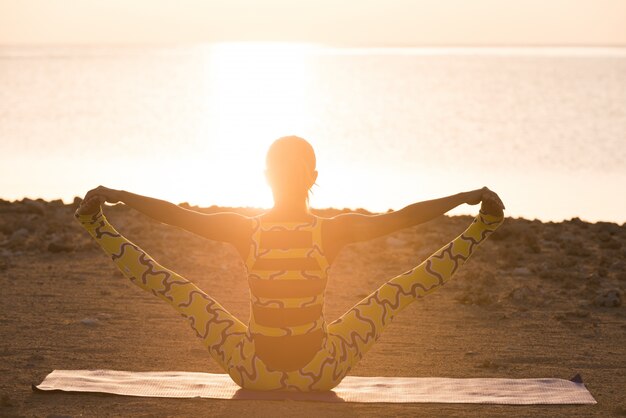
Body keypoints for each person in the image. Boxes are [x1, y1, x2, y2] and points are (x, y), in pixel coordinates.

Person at [75, 135, 505, 392]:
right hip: (320, 371)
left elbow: (178, 215)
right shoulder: (332, 230)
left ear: (265, 176)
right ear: (312, 177)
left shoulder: (245, 229)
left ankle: (95, 226)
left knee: (179, 290)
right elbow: (402, 218)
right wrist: (465, 201)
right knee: (395, 293)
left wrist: (121, 196)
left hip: (253, 372)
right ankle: (483, 227)